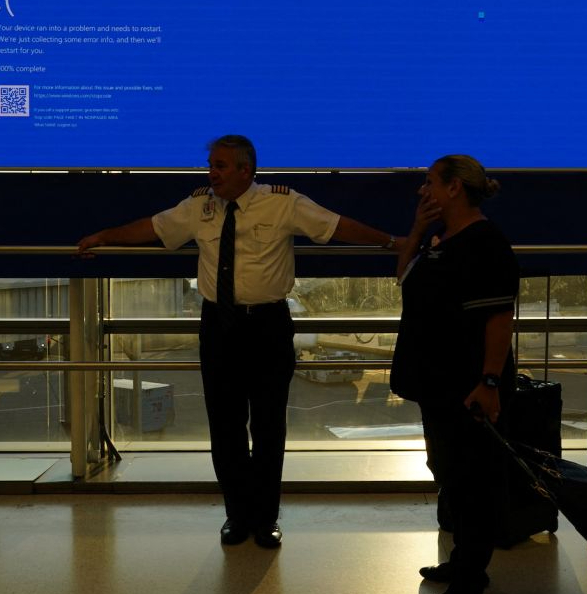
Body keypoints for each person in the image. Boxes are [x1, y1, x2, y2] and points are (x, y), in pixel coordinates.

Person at [77, 134, 401, 548]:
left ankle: (265, 518)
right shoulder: (200, 206)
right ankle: (237, 515)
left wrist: (392, 242)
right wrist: (103, 236)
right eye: (211, 164)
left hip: (268, 325)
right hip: (219, 326)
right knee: (225, 427)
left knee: (269, 427)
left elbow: (337, 227)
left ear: (247, 170)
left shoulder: (283, 203)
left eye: (221, 166)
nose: (212, 172)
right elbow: (151, 228)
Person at [390, 155, 519, 594]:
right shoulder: (443, 239)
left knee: (472, 481)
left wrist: (488, 381)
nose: (422, 190)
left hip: (467, 385)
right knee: (450, 473)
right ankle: (464, 562)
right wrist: (416, 230)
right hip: (437, 382)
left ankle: (469, 588)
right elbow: (402, 277)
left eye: (429, 183)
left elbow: (499, 319)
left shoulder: (485, 243)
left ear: (453, 189)